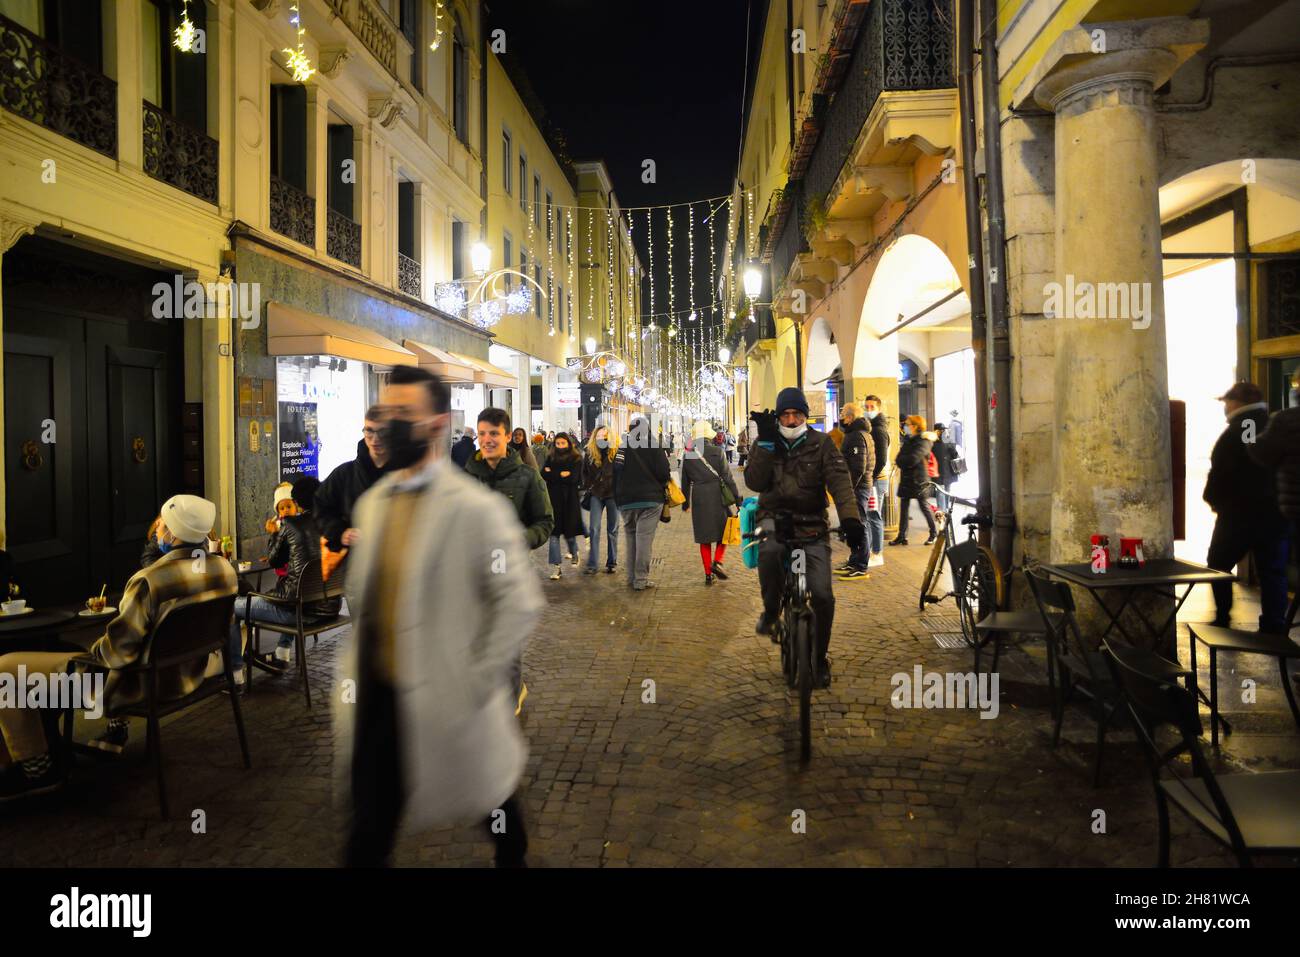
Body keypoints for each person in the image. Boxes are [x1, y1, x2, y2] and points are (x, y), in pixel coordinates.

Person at [338, 366, 540, 868]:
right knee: (370, 826)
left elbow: (517, 601)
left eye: (404, 414)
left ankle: (513, 859)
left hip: (450, 695)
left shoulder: (474, 508)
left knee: (495, 806)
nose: (389, 426)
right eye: (386, 414)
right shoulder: (374, 505)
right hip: (378, 696)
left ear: (437, 422)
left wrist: (473, 681)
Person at [0, 495, 237, 799]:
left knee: (7, 668)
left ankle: (38, 770)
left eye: (162, 525)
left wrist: (82, 659)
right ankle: (53, 745)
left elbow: (118, 653)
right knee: (53, 660)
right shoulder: (223, 570)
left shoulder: (149, 581)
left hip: (133, 684)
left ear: (173, 533)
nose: (158, 531)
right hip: (187, 673)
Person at [747, 389, 863, 686]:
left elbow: (840, 481)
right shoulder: (768, 441)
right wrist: (765, 443)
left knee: (823, 595)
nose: (790, 419)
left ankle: (819, 656)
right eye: (785, 414)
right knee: (770, 553)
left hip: (812, 525)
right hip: (772, 519)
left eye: (796, 414)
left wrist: (851, 519)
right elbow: (754, 481)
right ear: (779, 416)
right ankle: (772, 610)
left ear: (804, 415)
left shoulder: (821, 443)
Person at [465, 408, 553, 713]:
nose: (487, 440)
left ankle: (512, 690)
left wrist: (519, 540)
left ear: (506, 436)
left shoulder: (527, 476)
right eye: (483, 433)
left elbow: (544, 522)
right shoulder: (463, 477)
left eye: (494, 434)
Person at [229, 477, 338, 678]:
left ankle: (235, 675)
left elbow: (274, 561)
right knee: (293, 592)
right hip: (330, 607)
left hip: (300, 610)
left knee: (231, 607)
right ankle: (281, 652)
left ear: (296, 503)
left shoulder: (291, 525)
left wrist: (273, 535)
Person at [1204, 382, 1290, 634]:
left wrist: (1215, 497)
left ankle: (1222, 618)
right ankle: (1274, 625)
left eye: (1227, 402)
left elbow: (1249, 461)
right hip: (1273, 512)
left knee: (1218, 564)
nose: (1225, 408)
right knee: (1272, 570)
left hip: (1241, 512)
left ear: (1237, 403)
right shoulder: (1269, 423)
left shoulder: (1250, 424)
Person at [1247, 372, 1300, 635]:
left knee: (1274, 567)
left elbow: (1262, 453)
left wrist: (1248, 437)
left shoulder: (1288, 419)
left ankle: (1274, 626)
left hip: (1292, 512)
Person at [315, 407, 390, 556]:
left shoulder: (405, 473)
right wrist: (340, 532)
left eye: (382, 432)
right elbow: (320, 507)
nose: (375, 439)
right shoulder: (345, 474)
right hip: (357, 563)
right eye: (369, 431)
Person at [614, 415, 671, 591]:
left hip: (626, 500)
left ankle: (632, 578)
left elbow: (616, 470)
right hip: (650, 500)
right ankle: (641, 580)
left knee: (631, 538)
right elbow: (664, 473)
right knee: (644, 539)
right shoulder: (654, 445)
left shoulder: (623, 446)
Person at [681, 420, 740, 585]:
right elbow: (728, 477)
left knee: (704, 538)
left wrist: (685, 503)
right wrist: (737, 499)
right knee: (725, 533)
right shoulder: (717, 452)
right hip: (718, 496)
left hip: (699, 497)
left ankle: (708, 574)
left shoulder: (688, 455)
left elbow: (684, 482)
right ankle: (718, 562)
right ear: (708, 435)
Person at [835, 402, 876, 580]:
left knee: (861, 524)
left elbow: (858, 467)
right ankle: (854, 560)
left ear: (850, 417)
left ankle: (861, 565)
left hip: (857, 488)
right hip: (858, 486)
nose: (841, 417)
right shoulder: (857, 434)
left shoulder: (857, 436)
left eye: (843, 414)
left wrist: (848, 488)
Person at [542, 432, 584, 580]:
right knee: (553, 535)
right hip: (553, 500)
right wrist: (561, 475)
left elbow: (574, 478)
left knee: (569, 533)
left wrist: (553, 474)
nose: (560, 446)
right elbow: (543, 474)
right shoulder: (550, 457)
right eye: (557, 444)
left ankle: (574, 552)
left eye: (562, 443)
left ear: (568, 444)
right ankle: (556, 567)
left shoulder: (576, 458)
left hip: (570, 500)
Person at [891, 415, 937, 546]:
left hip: (919, 480)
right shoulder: (909, 440)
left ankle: (933, 533)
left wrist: (904, 461)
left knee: (924, 506)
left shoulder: (924, 441)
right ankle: (901, 535)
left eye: (908, 424)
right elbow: (898, 459)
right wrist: (904, 461)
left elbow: (913, 459)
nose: (905, 426)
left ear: (915, 426)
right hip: (907, 478)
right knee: (904, 506)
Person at [582, 425, 620, 574]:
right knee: (594, 528)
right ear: (594, 437)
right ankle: (593, 564)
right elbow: (584, 473)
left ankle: (612, 562)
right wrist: (589, 486)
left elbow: (622, 472)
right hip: (596, 493)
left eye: (604, 436)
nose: (601, 438)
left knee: (613, 529)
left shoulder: (616, 452)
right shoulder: (590, 452)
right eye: (598, 436)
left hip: (613, 494)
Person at [863, 395, 891, 565]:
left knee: (874, 515)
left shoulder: (878, 430)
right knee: (869, 515)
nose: (868, 409)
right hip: (873, 479)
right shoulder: (872, 427)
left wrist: (871, 477)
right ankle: (870, 552)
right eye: (866, 406)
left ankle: (877, 553)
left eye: (872, 406)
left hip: (877, 479)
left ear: (879, 408)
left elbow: (880, 459)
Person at [932, 423, 960, 507]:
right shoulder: (932, 442)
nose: (943, 432)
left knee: (947, 490)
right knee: (940, 491)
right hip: (938, 471)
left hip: (948, 471)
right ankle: (942, 511)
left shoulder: (949, 441)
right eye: (941, 430)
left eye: (944, 430)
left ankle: (946, 509)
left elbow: (955, 455)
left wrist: (951, 447)